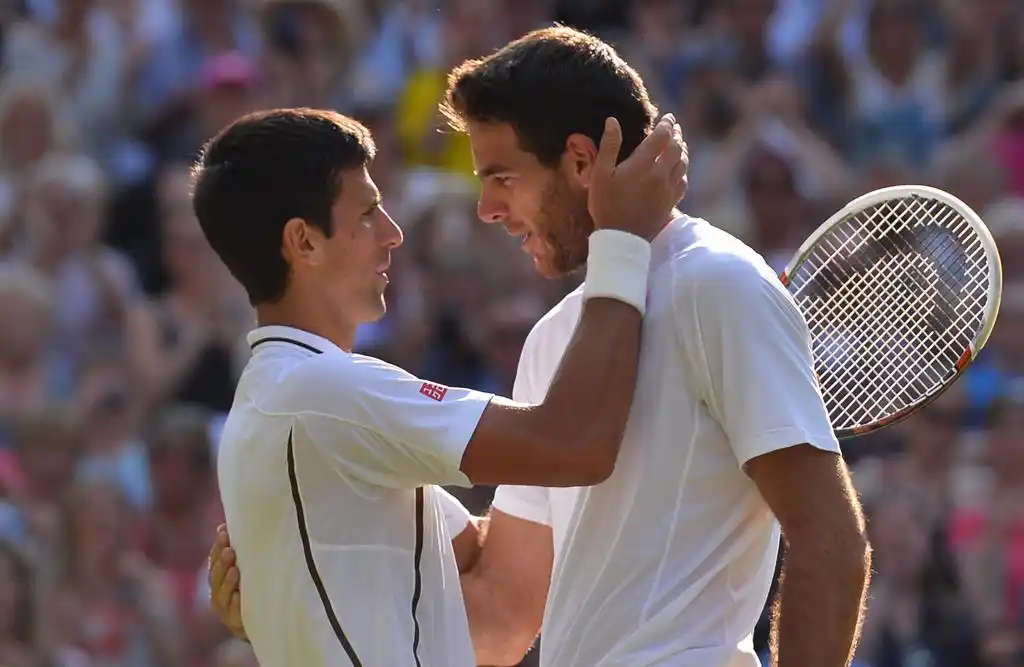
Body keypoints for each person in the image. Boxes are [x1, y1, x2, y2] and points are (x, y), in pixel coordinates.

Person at [208, 27, 872, 667]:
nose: (487, 210)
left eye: (501, 177)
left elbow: (831, 541)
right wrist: (296, 598)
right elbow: (501, 616)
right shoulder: (558, 338)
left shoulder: (717, 282)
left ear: (581, 162)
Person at [193, 105, 687, 667]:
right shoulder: (322, 394)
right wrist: (621, 243)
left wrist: (290, 604)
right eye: (369, 213)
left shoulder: (287, 401)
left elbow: (498, 601)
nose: (393, 234)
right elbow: (574, 445)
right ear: (304, 242)